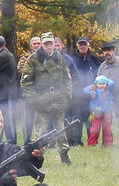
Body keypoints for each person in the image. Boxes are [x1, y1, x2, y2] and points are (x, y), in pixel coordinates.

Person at [20, 32, 72, 165]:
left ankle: (64, 157)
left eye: (51, 44)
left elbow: (67, 78)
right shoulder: (33, 59)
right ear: (42, 44)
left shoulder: (59, 58)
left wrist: (67, 96)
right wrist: (34, 100)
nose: (49, 47)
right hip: (42, 101)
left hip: (58, 100)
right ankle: (36, 158)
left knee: (61, 131)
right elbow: (26, 82)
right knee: (40, 133)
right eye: (46, 44)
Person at [69, 37, 102, 145]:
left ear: (88, 45)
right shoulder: (72, 59)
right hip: (76, 96)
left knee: (90, 120)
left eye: (85, 44)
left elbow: (99, 76)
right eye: (80, 44)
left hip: (91, 96)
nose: (83, 46)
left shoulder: (95, 59)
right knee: (77, 120)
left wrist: (96, 89)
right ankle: (77, 142)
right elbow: (69, 76)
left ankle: (92, 141)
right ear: (77, 46)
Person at [97, 42, 119, 141]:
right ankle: (107, 143)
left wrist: (118, 86)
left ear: (114, 51)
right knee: (106, 121)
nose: (107, 52)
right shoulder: (102, 67)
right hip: (106, 99)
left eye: (109, 50)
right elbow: (98, 81)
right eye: (105, 51)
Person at [17, 36, 42, 142]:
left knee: (41, 119)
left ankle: (40, 141)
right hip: (27, 94)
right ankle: (26, 141)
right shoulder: (25, 57)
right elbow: (21, 71)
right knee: (27, 119)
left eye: (38, 43)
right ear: (31, 45)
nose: (37, 45)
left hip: (42, 93)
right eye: (34, 43)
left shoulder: (46, 57)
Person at [84, 75, 115, 146]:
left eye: (103, 83)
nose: (102, 85)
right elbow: (85, 90)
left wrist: (106, 79)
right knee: (94, 129)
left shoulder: (108, 91)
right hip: (96, 113)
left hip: (107, 113)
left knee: (107, 129)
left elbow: (112, 83)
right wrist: (92, 89)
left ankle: (108, 144)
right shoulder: (94, 92)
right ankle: (91, 144)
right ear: (96, 85)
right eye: (99, 84)